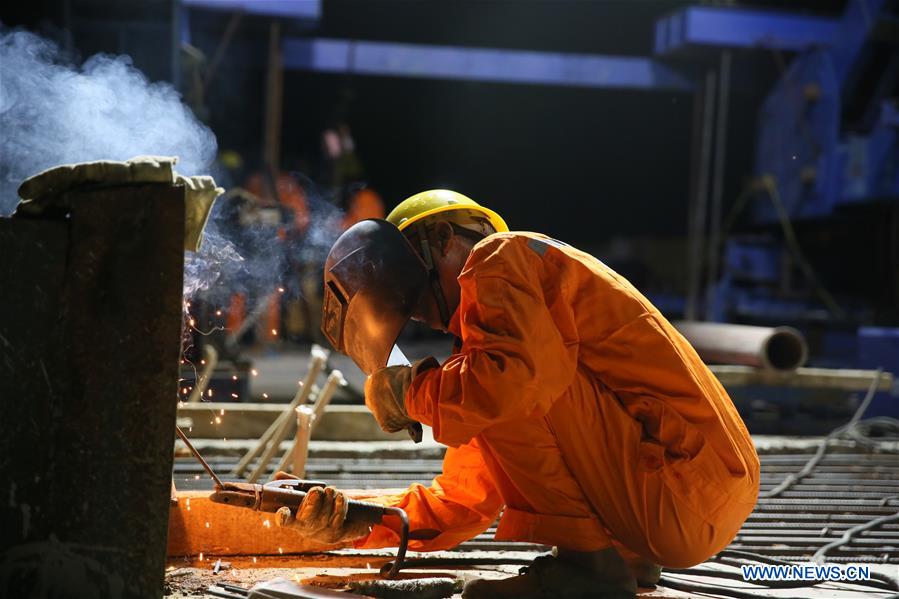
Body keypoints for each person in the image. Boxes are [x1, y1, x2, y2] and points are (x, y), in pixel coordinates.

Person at [277, 190, 760, 598]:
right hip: (682, 494)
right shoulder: (511, 340)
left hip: (682, 480)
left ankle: (589, 566)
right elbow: (463, 498)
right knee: (488, 382)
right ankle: (624, 557)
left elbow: (507, 386)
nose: (420, 314)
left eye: (416, 292)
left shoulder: (499, 257)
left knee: (496, 381)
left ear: (444, 241)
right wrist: (355, 522)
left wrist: (410, 392)